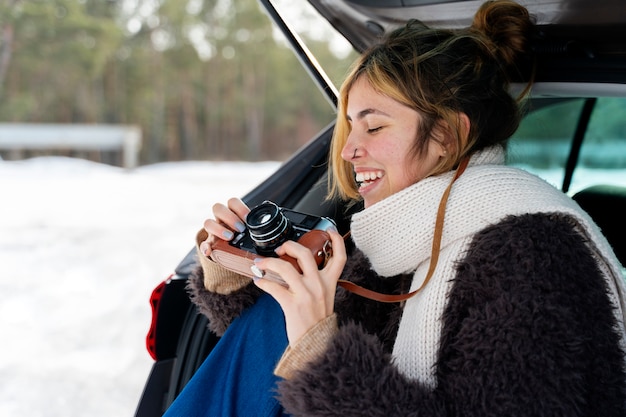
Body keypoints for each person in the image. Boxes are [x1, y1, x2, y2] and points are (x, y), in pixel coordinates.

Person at [166, 1, 626, 415]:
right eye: (349, 128)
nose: (348, 151)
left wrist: (323, 359)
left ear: (447, 134)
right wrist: (232, 278)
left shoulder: (530, 257)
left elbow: (313, 357)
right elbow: (277, 352)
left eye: (374, 127)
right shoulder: (405, 229)